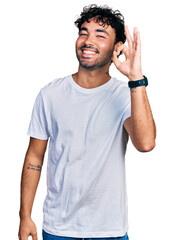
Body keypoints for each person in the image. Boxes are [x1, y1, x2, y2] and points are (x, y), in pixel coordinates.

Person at [18, 4, 156, 240]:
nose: (88, 40)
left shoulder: (126, 96)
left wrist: (136, 78)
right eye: (84, 32)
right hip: (58, 229)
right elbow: (34, 156)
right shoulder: (50, 94)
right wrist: (25, 216)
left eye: (100, 35)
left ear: (117, 48)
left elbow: (145, 144)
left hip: (109, 230)